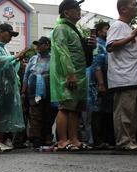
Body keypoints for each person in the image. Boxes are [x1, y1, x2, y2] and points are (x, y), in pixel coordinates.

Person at [51, 0, 96, 152]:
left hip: (79, 74)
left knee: (75, 108)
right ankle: (63, 141)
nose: (79, 11)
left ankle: (74, 140)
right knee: (65, 107)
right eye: (76, 8)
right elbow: (62, 52)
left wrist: (91, 47)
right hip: (68, 75)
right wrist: (70, 73)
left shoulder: (74, 29)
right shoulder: (62, 28)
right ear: (66, 12)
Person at [107, 0, 137, 151]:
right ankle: (124, 142)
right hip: (124, 78)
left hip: (133, 77)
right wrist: (132, 36)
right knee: (124, 111)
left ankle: (131, 140)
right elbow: (110, 46)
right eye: (133, 4)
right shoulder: (117, 26)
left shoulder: (126, 27)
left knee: (132, 112)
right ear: (123, 9)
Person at [0, 23, 27, 152]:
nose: (11, 38)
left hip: (6, 87)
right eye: (10, 34)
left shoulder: (5, 48)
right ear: (1, 31)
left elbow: (7, 65)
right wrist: (15, 56)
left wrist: (17, 60)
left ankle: (1, 140)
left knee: (3, 113)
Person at [22, 36, 54, 148]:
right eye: (37, 45)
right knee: (35, 115)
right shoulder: (33, 59)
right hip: (33, 90)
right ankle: (36, 139)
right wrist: (23, 91)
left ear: (47, 45)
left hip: (49, 90)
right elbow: (26, 75)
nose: (38, 47)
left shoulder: (53, 58)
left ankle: (46, 137)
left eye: (40, 44)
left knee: (48, 114)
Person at [88, 21, 115, 150]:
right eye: (106, 29)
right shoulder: (98, 45)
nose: (108, 31)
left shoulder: (106, 44)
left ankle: (104, 139)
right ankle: (98, 140)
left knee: (105, 111)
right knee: (98, 111)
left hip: (107, 80)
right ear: (99, 32)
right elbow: (96, 65)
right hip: (99, 81)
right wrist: (101, 84)